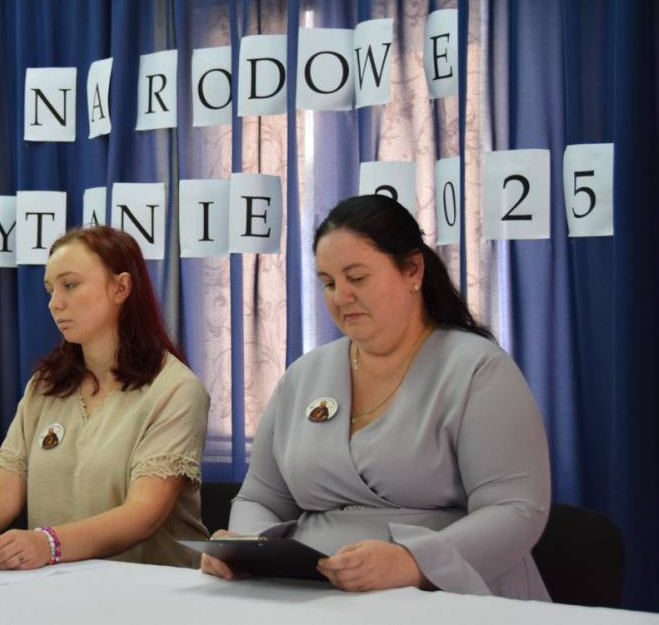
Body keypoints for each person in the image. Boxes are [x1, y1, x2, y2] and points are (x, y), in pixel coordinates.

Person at [201, 195, 551, 600]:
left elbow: (515, 509)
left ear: (412, 270)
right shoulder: (302, 376)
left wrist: (412, 562)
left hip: (449, 597)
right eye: (329, 283)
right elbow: (260, 498)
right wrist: (247, 548)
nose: (340, 296)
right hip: (313, 595)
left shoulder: (479, 370)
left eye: (357, 277)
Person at [0, 226, 210, 569]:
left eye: (70, 285)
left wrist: (49, 543)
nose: (55, 303)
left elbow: (144, 513)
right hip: (59, 584)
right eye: (50, 290)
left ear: (120, 288)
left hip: (155, 588)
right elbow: (3, 491)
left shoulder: (175, 389)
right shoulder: (46, 385)